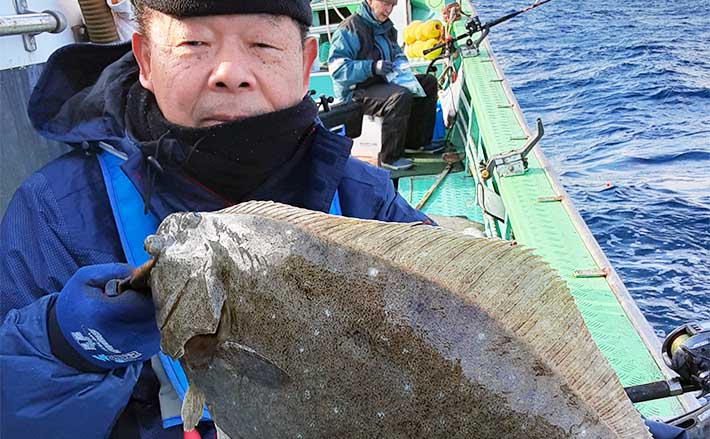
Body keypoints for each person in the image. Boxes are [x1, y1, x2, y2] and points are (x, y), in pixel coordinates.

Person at [0, 1, 433, 437]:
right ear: (146, 60)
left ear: (305, 67)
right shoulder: (55, 214)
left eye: (262, 43)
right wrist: (62, 345)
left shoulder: (367, 202)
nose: (230, 71)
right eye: (193, 43)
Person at [328, 0, 443, 171]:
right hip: (357, 90)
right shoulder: (350, 28)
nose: (388, 10)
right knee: (399, 96)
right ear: (370, 1)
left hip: (382, 82)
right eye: (385, 4)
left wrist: (401, 63)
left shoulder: (387, 27)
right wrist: (372, 67)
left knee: (428, 82)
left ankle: (416, 143)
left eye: (392, 5)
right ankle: (390, 156)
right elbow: (337, 69)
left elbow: (396, 51)